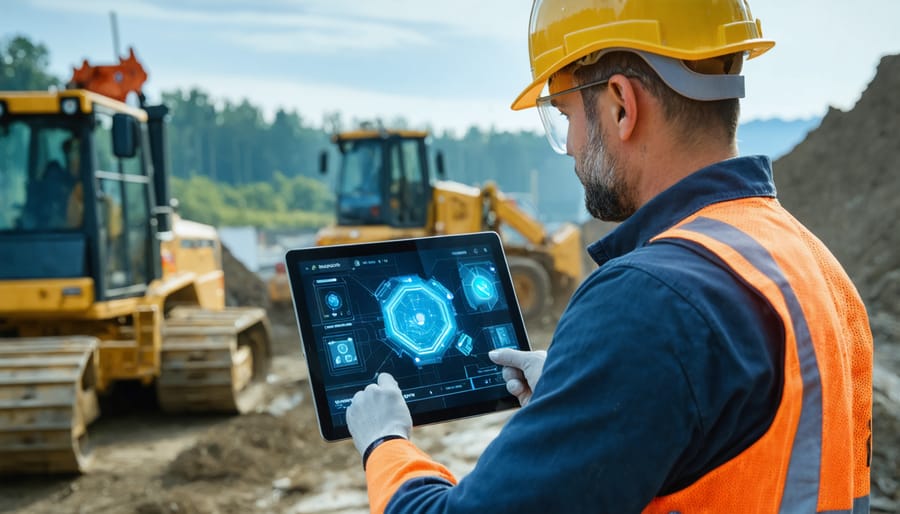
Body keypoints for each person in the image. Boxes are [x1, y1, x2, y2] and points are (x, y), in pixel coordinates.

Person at [345, 1, 874, 512]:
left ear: (621, 103)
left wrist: (385, 442)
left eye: (564, 113)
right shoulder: (815, 265)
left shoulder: (648, 301)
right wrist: (587, 390)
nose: (572, 145)